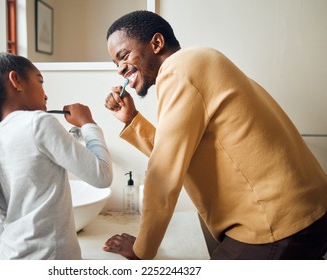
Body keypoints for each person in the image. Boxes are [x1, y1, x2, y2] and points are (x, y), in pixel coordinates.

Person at [103, 10, 327, 260]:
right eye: (115, 64)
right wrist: (131, 120)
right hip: (308, 213)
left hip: (277, 225)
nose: (121, 70)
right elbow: (179, 151)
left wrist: (141, 250)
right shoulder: (198, 61)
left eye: (123, 56)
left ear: (156, 43)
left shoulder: (178, 70)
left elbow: (164, 172)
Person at [0, 50, 113, 260]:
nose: (45, 94)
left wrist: (2, 252)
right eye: (40, 81)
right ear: (16, 80)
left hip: (11, 255)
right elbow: (102, 176)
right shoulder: (38, 123)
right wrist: (88, 124)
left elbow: (3, 212)